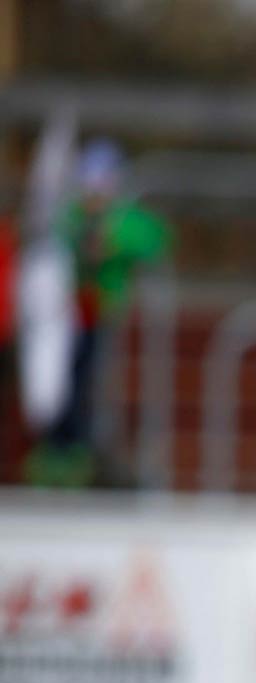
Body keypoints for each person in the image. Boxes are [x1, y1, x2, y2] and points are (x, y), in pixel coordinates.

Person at [27, 140, 168, 487]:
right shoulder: (70, 216)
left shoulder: (122, 219)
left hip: (99, 313)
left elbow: (155, 239)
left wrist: (113, 241)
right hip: (62, 317)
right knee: (60, 384)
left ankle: (82, 454)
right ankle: (57, 452)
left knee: (89, 385)